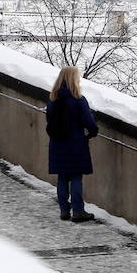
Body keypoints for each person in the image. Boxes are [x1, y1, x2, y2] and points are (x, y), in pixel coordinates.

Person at [45, 66, 99, 223]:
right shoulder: (78, 100)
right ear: (73, 79)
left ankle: (64, 210)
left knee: (62, 176)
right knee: (76, 176)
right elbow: (89, 122)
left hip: (57, 143)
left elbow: (49, 120)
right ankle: (78, 211)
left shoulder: (53, 100)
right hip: (75, 143)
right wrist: (93, 131)